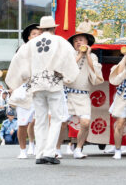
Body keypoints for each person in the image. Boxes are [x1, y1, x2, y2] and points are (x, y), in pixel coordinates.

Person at [5, 16, 79, 165]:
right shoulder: (60, 41)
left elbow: (18, 59)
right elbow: (71, 57)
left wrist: (20, 79)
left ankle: (40, 153)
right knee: (56, 118)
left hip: (37, 85)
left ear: (41, 28)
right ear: (54, 28)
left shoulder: (31, 44)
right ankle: (50, 152)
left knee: (40, 119)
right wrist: (65, 74)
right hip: (53, 84)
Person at [57, 32, 104, 159]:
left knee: (85, 122)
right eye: (76, 41)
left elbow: (95, 74)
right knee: (62, 123)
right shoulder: (69, 55)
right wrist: (79, 55)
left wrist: (87, 55)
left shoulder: (92, 56)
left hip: (82, 94)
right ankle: (57, 149)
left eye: (81, 40)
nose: (78, 42)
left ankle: (78, 148)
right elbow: (65, 70)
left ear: (87, 43)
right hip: (68, 93)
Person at [9, 23, 40, 159]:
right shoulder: (22, 51)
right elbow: (13, 72)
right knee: (22, 123)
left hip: (41, 89)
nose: (37, 36)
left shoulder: (47, 50)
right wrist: (12, 88)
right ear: (28, 37)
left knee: (41, 121)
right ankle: (23, 149)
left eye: (40, 34)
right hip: (25, 90)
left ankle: (38, 146)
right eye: (34, 34)